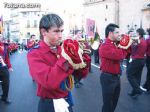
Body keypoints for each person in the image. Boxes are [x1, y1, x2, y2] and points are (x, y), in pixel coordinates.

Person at [27, 14, 89, 112]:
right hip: (50, 104)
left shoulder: (62, 49)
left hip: (67, 99)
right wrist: (67, 57)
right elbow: (48, 82)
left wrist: (82, 61)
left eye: (61, 31)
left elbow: (80, 75)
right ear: (44, 32)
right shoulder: (34, 54)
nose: (60, 35)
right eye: (56, 31)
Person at [99, 23, 129, 112]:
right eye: (117, 32)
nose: (119, 34)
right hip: (108, 78)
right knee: (108, 105)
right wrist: (125, 44)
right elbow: (120, 55)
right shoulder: (105, 45)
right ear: (110, 33)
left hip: (116, 77)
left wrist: (125, 44)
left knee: (114, 102)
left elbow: (125, 53)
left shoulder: (114, 44)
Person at [127, 28, 147, 98]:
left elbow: (131, 47)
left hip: (137, 60)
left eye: (136, 33)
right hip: (142, 60)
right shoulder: (144, 41)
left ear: (139, 34)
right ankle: (134, 92)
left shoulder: (138, 40)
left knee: (129, 74)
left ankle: (138, 90)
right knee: (137, 77)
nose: (135, 34)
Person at [0, 34, 13, 104]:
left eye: (1, 36)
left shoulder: (5, 46)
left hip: (3, 67)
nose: (0, 37)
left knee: (6, 83)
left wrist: (9, 66)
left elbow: (7, 57)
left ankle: (4, 97)